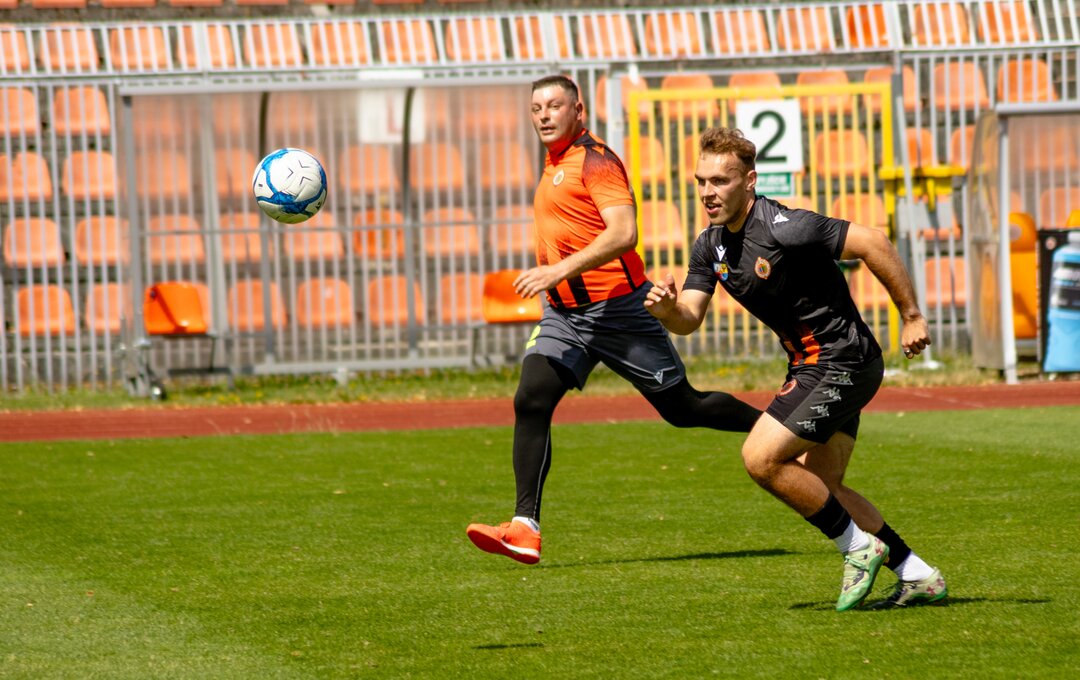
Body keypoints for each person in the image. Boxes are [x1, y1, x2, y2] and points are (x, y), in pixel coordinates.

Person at [644, 126, 947, 611]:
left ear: (749, 181)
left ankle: (858, 548)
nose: (707, 192)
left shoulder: (785, 227)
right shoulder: (709, 245)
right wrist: (666, 311)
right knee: (824, 486)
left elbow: (873, 242)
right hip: (816, 365)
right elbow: (689, 318)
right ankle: (918, 574)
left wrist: (911, 316)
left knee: (760, 458)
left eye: (720, 181)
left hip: (841, 359)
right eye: (701, 181)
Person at [466, 76, 761, 565]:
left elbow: (624, 233)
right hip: (565, 315)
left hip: (619, 311)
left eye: (554, 105)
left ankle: (777, 431)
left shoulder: (596, 160)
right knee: (531, 398)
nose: (543, 115)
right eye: (536, 108)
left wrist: (557, 269)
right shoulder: (555, 161)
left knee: (683, 408)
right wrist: (558, 281)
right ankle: (525, 527)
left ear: (577, 110)